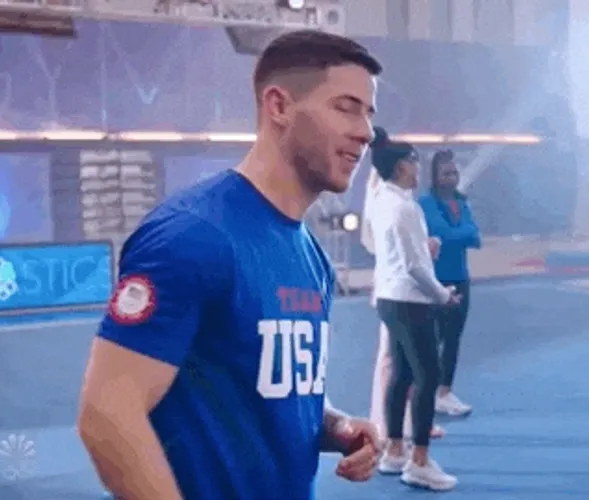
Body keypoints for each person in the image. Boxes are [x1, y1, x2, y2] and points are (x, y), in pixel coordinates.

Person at [76, 30, 384, 500]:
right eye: (346, 107)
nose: (365, 131)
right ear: (278, 106)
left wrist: (336, 427)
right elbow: (106, 415)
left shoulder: (311, 255)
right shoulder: (193, 234)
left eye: (368, 113)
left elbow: (269, 394)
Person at [368, 127, 459, 491]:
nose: (419, 168)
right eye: (414, 161)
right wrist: (442, 296)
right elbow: (415, 267)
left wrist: (424, 245)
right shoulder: (406, 207)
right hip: (410, 301)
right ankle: (419, 460)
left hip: (389, 298)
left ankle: (394, 450)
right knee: (427, 376)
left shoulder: (382, 201)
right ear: (401, 166)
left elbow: (401, 254)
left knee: (401, 374)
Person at [364, 168, 446, 441]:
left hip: (395, 287)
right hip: (397, 289)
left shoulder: (399, 198)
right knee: (398, 362)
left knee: (402, 364)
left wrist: (420, 246)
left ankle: (406, 425)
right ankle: (389, 427)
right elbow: (376, 242)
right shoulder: (384, 196)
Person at [418, 149, 480, 417]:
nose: (452, 178)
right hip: (435, 279)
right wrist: (459, 234)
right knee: (432, 339)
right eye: (446, 173)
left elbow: (475, 236)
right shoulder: (425, 203)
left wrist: (455, 234)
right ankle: (426, 392)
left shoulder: (462, 203)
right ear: (435, 176)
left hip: (460, 277)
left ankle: (445, 392)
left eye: (455, 173)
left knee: (453, 338)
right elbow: (439, 232)